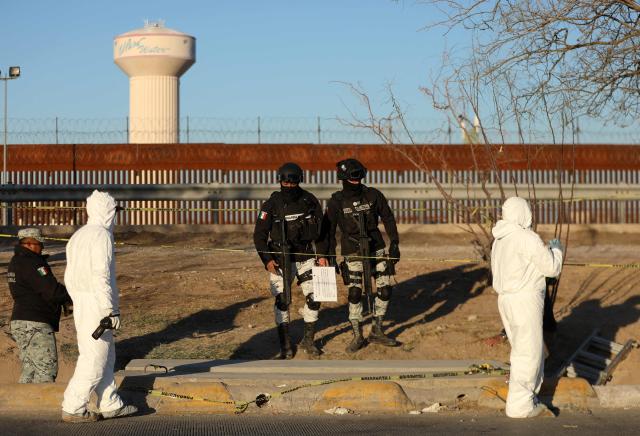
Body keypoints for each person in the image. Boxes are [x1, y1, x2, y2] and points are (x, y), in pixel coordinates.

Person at [61, 190, 137, 423]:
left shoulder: (78, 236)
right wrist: (108, 310)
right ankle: (73, 406)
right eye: (114, 212)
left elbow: (69, 276)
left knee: (105, 355)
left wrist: (77, 300)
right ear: (107, 212)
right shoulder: (102, 236)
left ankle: (110, 403)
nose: (115, 217)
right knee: (94, 359)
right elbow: (100, 276)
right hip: (96, 304)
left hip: (83, 302)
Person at [491, 196, 563, 418]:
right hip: (524, 300)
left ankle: (526, 397)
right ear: (524, 213)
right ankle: (520, 406)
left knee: (525, 350)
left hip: (506, 300)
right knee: (528, 354)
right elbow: (551, 268)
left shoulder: (499, 240)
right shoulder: (526, 237)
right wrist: (557, 251)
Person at [322, 158, 400, 353]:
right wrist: (329, 255)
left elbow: (388, 217)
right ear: (342, 177)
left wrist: (395, 243)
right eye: (351, 176)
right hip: (352, 251)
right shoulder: (336, 201)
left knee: (385, 290)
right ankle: (357, 335)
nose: (355, 180)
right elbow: (328, 231)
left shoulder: (373, 195)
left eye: (358, 175)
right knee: (355, 293)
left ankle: (377, 329)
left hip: (378, 249)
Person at [253, 162, 329, 359]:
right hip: (279, 260)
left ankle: (308, 340)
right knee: (282, 301)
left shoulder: (309, 200)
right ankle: (285, 345)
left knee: (316, 297)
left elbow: (323, 233)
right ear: (280, 182)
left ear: (299, 181)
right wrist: (267, 260)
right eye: (285, 183)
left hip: (306, 257)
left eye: (292, 183)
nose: (288, 187)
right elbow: (259, 236)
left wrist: (322, 255)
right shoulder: (271, 204)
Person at [8, 228, 73, 384]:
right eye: (40, 244)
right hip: (35, 323)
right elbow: (50, 290)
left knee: (29, 371)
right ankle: (42, 407)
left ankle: (23, 406)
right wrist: (69, 296)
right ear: (30, 244)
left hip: (20, 322)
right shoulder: (32, 263)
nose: (42, 247)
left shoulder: (15, 262)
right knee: (46, 371)